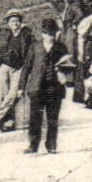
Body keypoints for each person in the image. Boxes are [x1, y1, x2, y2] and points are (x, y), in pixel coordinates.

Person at [18, 20, 69, 155]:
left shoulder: (61, 47)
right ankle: (33, 145)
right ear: (43, 34)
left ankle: (51, 145)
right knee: (35, 118)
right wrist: (20, 87)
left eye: (52, 34)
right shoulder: (34, 47)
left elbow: (69, 66)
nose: (50, 37)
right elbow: (26, 67)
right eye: (47, 34)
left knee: (53, 118)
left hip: (54, 88)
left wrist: (62, 71)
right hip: (37, 88)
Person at [0, 10, 32, 130]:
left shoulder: (26, 34)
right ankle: (7, 122)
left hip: (19, 67)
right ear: (8, 23)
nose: (14, 23)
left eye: (17, 21)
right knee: (3, 92)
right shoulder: (5, 34)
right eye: (12, 21)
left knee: (14, 93)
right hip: (5, 66)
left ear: (21, 22)